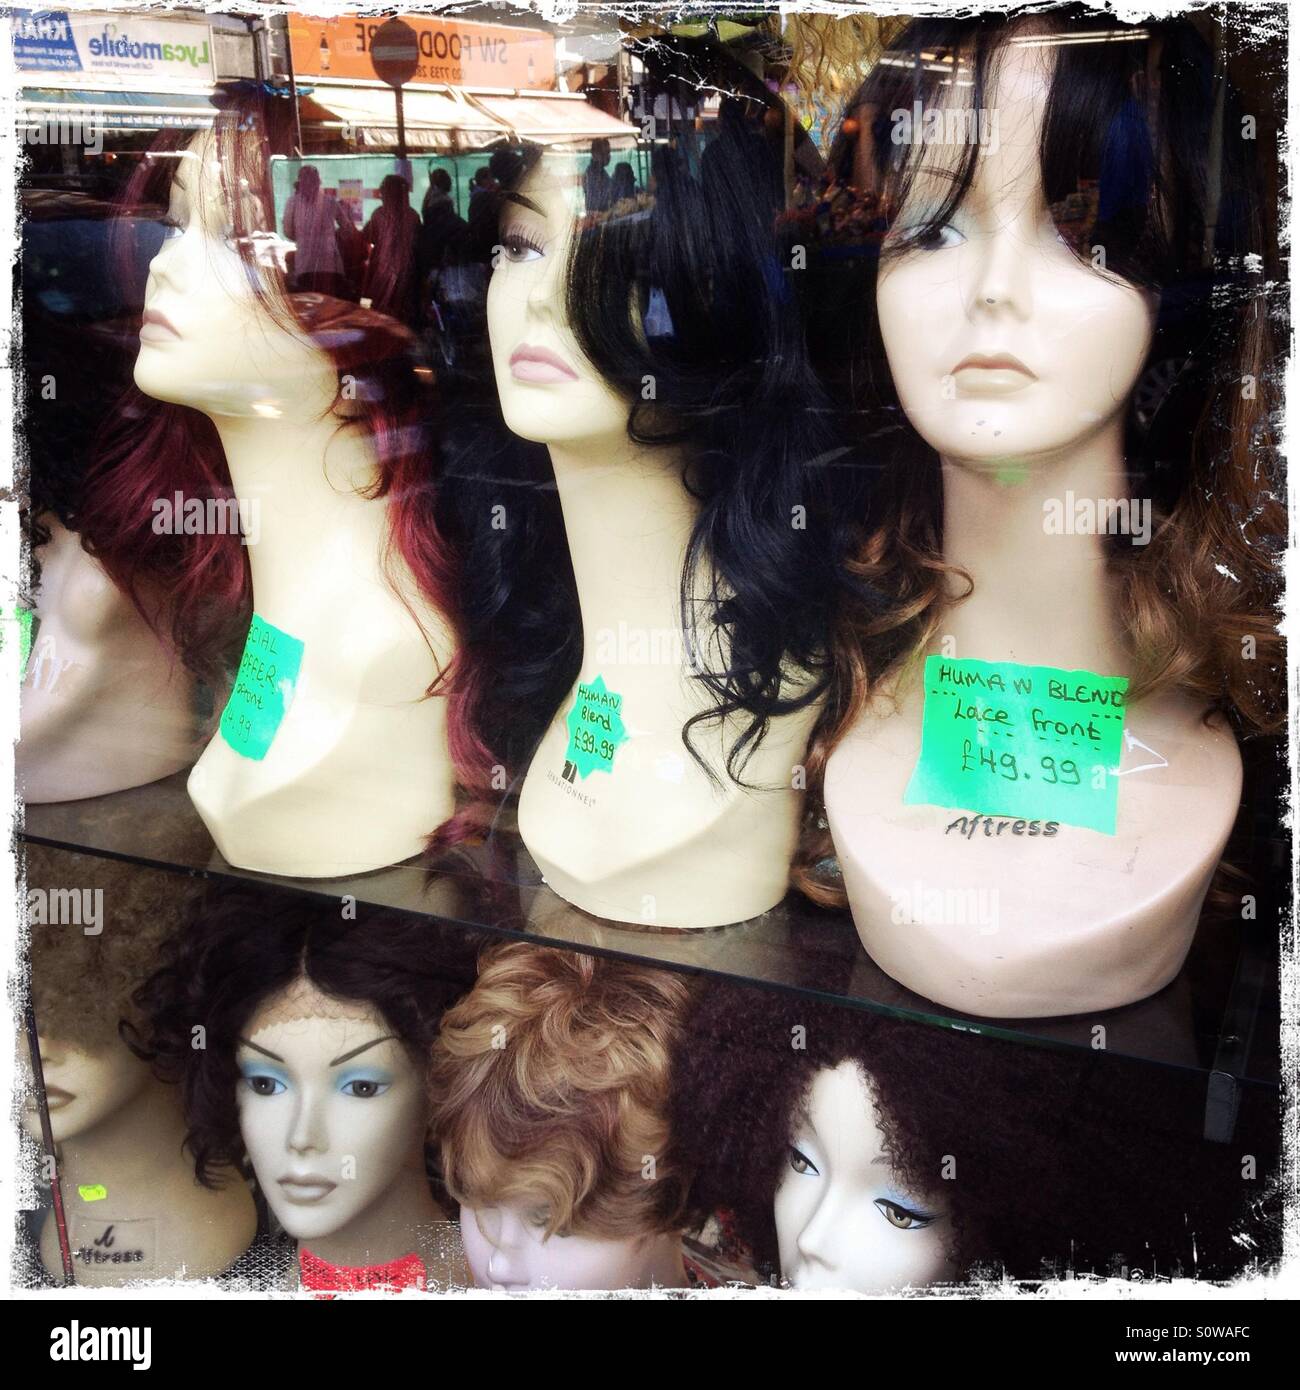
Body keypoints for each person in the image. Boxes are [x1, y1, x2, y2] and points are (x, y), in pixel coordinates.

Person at [282, 164, 350, 298]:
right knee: (327, 302)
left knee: (308, 303)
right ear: (318, 181)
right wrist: (332, 236)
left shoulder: (293, 202)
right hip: (328, 263)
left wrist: (304, 238)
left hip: (306, 264)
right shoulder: (330, 202)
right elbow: (347, 228)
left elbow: (288, 232)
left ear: (300, 183)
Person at [362, 174, 421, 324]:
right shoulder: (413, 215)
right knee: (402, 315)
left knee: (382, 314)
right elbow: (418, 243)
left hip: (383, 271)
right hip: (407, 272)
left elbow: (369, 237)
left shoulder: (379, 214)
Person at [582, 136, 612, 213]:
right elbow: (595, 204)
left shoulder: (603, 173)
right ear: (594, 154)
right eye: (603, 153)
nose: (607, 156)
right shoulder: (591, 175)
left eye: (608, 152)